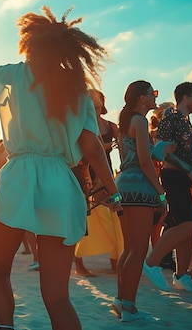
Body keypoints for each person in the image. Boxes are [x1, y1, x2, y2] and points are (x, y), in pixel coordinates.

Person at [0, 6, 122, 330]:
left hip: (19, 177)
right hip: (61, 182)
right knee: (57, 297)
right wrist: (115, 193)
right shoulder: (77, 89)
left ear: (29, 44)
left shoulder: (15, 74)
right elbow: (93, 150)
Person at [112, 81, 172, 321]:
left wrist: (158, 150)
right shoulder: (140, 120)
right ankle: (129, 307)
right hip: (139, 187)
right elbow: (145, 163)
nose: (155, 97)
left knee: (129, 248)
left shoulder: (126, 123)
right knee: (138, 250)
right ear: (142, 98)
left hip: (124, 183)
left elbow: (131, 156)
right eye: (153, 93)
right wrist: (161, 193)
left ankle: (121, 300)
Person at [143, 82, 192, 293]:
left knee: (186, 227)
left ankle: (181, 275)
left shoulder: (184, 120)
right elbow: (162, 150)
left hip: (183, 176)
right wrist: (188, 168)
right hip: (175, 176)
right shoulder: (172, 116)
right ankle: (151, 263)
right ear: (185, 97)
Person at [73, 89, 123, 276]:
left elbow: (123, 146)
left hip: (105, 170)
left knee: (114, 218)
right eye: (91, 106)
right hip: (86, 171)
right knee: (86, 219)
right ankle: (79, 264)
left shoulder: (111, 126)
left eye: (97, 106)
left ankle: (115, 260)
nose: (95, 110)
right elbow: (87, 150)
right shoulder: (82, 125)